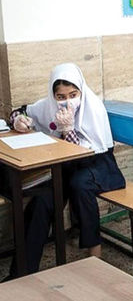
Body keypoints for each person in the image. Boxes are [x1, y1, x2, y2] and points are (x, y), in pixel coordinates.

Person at [1, 63, 125, 278]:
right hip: (65, 168)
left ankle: (94, 253)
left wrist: (67, 129)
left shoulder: (93, 108)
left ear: (81, 91)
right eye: (61, 97)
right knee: (42, 200)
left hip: (99, 165)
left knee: (80, 185)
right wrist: (18, 120)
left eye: (73, 95)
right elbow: (21, 111)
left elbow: (85, 153)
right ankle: (21, 272)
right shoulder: (48, 106)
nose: (67, 101)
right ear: (53, 96)